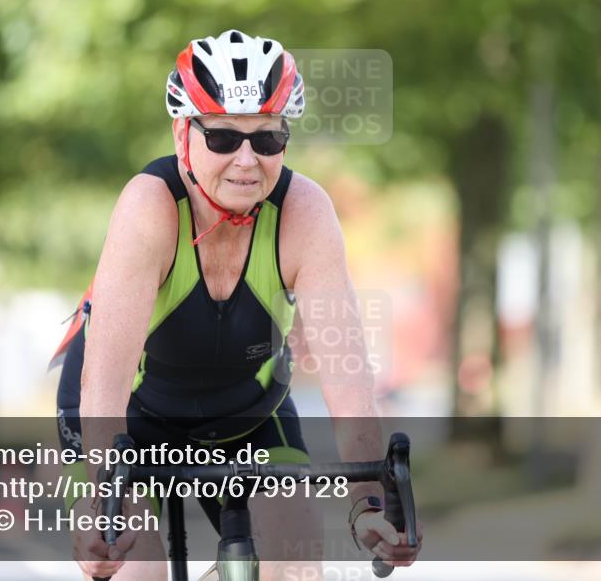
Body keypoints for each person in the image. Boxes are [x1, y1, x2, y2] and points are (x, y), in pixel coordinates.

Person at [55, 30, 422, 580]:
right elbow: (104, 382)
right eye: (224, 138)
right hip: (128, 423)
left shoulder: (305, 213)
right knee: (135, 574)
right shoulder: (149, 208)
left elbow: (348, 377)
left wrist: (369, 503)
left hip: (248, 419)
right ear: (184, 133)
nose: (247, 161)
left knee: (295, 565)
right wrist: (99, 502)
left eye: (268, 140)